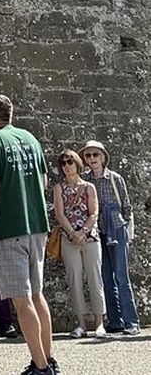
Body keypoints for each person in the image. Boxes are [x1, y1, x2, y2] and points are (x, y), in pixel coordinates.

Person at [0, 94, 57, 375]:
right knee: (37, 295)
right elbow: (43, 180)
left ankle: (41, 367)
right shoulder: (30, 139)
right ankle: (49, 359)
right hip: (37, 225)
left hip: (9, 229)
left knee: (21, 301)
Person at [79, 140, 140, 335]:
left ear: (103, 157)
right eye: (88, 156)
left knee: (122, 276)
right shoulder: (86, 181)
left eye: (95, 155)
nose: (91, 159)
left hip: (116, 228)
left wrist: (122, 224)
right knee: (106, 276)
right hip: (98, 231)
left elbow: (126, 205)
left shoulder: (115, 178)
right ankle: (116, 321)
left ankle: (131, 322)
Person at [52, 149, 104, 338]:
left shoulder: (89, 187)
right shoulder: (59, 188)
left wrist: (83, 232)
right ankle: (81, 323)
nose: (66, 166)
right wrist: (73, 233)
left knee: (95, 278)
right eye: (63, 163)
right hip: (69, 238)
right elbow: (59, 214)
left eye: (69, 162)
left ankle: (99, 323)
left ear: (77, 164)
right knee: (74, 280)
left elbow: (94, 212)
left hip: (90, 238)